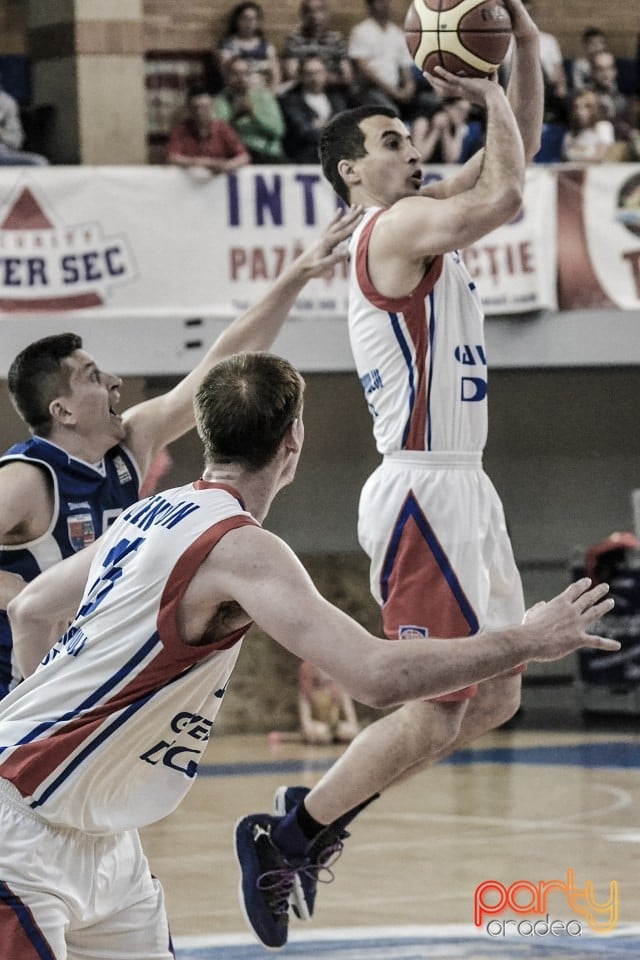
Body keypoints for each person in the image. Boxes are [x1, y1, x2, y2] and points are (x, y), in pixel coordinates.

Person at [1, 350, 617, 956]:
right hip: (21, 834)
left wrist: (45, 701)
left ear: (209, 434)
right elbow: (376, 677)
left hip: (108, 842)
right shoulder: (242, 549)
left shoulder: (148, 514)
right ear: (293, 439)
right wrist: (532, 639)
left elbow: (30, 609)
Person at [237, 0, 549, 946]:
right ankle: (288, 833)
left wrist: (526, 53)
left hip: (465, 482)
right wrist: (489, 88)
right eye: (390, 140)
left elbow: (513, 158)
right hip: (423, 487)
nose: (409, 150)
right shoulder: (388, 232)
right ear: (349, 171)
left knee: (496, 692)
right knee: (444, 695)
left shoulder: (416, 215)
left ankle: (307, 820)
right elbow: (503, 196)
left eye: (411, 139)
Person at [0, 205, 364, 699]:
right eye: (92, 376)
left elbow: (220, 362)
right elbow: (32, 605)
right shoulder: (26, 479)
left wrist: (296, 276)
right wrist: (31, 599)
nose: (114, 381)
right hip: (16, 684)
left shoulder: (131, 440)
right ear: (62, 412)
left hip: (81, 680)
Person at [348, 0, 417, 121]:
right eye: (380, 2)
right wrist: (394, 92)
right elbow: (363, 68)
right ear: (370, 6)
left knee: (428, 104)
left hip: (396, 89)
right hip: (370, 90)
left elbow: (405, 68)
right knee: (390, 112)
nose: (385, 5)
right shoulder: (361, 31)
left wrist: (409, 87)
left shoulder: (397, 33)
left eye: (388, 1)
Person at [214, 55, 286, 164]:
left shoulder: (264, 97)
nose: (241, 78)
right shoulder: (220, 100)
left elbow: (278, 131)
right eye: (235, 73)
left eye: (245, 73)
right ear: (226, 76)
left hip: (267, 153)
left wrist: (254, 114)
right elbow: (216, 135)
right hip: (236, 155)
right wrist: (235, 116)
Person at [269, 660, 360, 745]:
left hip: (337, 731)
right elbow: (306, 724)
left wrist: (338, 729)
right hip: (318, 732)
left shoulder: (341, 692)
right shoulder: (306, 694)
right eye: (303, 678)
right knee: (319, 732)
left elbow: (352, 723)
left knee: (349, 731)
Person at [278, 55, 349, 164]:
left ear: (326, 74)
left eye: (318, 73)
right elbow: (303, 132)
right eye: (309, 73)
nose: (314, 78)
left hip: (335, 160)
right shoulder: (291, 102)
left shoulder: (337, 100)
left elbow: (345, 130)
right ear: (300, 76)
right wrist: (331, 126)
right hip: (304, 160)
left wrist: (321, 125)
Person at [280, 0, 355, 102]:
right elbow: (291, 74)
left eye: (320, 11)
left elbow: (347, 76)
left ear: (327, 14)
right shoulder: (294, 40)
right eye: (309, 11)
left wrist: (325, 78)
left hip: (333, 91)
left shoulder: (336, 39)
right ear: (302, 15)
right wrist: (314, 78)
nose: (314, 16)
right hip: (303, 92)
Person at [165, 83, 250, 173]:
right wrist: (201, 163)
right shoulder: (181, 130)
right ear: (189, 109)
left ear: (212, 107)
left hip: (219, 180)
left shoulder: (222, 128)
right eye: (196, 108)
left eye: (204, 108)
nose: (200, 112)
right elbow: (172, 157)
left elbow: (244, 157)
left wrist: (226, 166)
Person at [216, 1, 281, 93]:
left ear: (258, 22)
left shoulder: (267, 47)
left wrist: (269, 94)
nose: (249, 23)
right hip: (238, 92)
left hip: (265, 92)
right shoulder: (227, 46)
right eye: (245, 18)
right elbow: (226, 76)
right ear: (237, 20)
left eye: (253, 19)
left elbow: (276, 76)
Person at [0, 78, 48, 166]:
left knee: (38, 162)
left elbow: (16, 139)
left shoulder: (6, 102)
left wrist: (2, 134)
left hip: (2, 154)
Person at [411, 98, 472, 164]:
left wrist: (446, 131)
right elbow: (420, 158)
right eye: (460, 110)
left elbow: (453, 159)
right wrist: (436, 130)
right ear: (447, 107)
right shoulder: (423, 123)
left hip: (442, 170)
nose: (464, 116)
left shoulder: (459, 127)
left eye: (467, 112)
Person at [562, 89, 615, 163]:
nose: (579, 111)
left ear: (593, 109)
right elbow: (565, 159)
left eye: (585, 107)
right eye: (576, 107)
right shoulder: (569, 135)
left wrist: (578, 159)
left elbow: (600, 156)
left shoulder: (603, 127)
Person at [571, 27, 609, 92]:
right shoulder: (579, 65)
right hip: (586, 96)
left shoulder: (608, 62)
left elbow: (611, 86)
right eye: (593, 44)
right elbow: (578, 87)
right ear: (585, 47)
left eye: (601, 43)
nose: (598, 47)